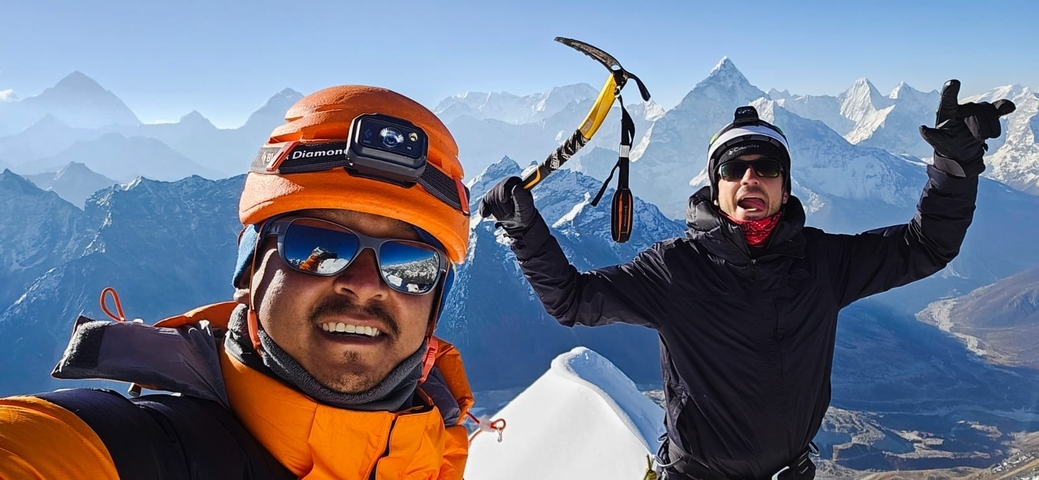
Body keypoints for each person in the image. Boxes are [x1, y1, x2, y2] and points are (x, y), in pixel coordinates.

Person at [478, 80, 1016, 480]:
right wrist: (525, 229)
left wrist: (953, 167)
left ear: (785, 186)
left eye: (766, 168)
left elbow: (925, 247)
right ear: (715, 188)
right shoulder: (675, 270)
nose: (750, 179)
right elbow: (571, 301)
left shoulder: (822, 262)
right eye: (733, 170)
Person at [0, 85, 475, 479]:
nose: (366, 284)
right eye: (316, 246)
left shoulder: (437, 450)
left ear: (434, 306)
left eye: (409, 266)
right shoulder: (141, 452)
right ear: (251, 270)